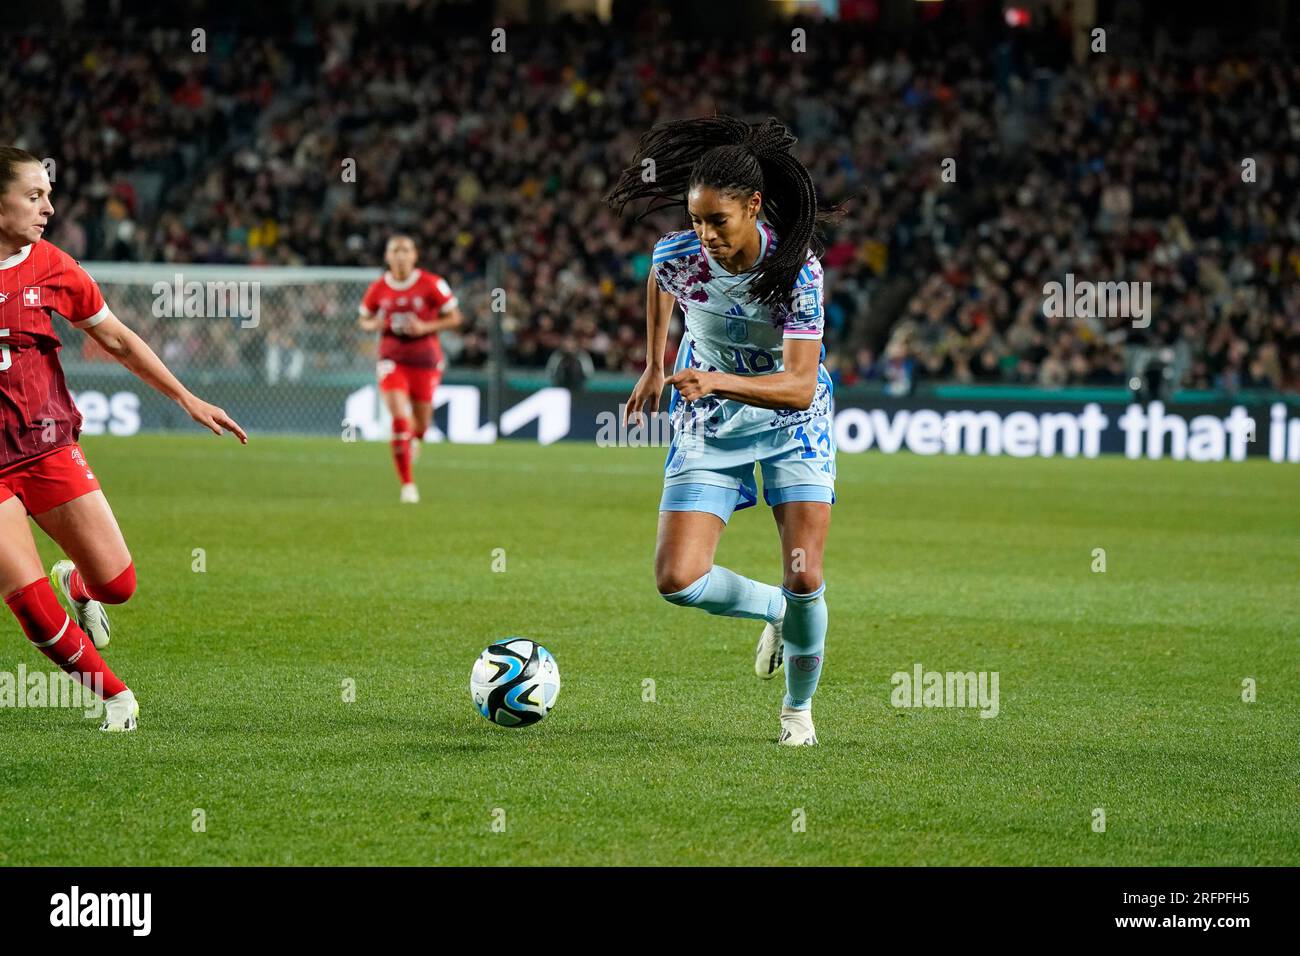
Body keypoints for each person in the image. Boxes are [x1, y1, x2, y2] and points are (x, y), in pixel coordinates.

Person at [606, 116, 838, 746]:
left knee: (805, 576)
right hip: (709, 422)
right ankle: (770, 609)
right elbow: (661, 279)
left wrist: (716, 381)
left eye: (717, 221)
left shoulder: (798, 273)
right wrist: (656, 365)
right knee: (677, 580)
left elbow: (796, 386)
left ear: (754, 206)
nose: (703, 235)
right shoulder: (679, 254)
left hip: (791, 424)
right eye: (696, 219)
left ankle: (797, 712)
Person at [0, 147, 247, 732]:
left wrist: (187, 398)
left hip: (47, 445)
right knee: (27, 598)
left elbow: (117, 339)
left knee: (119, 584)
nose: (49, 207)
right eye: (35, 195)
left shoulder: (52, 266)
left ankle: (80, 584)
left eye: (48, 195)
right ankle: (115, 697)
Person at [358, 235, 463, 503]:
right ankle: (408, 485)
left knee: (422, 425)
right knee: (399, 418)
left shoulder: (431, 283)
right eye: (395, 250)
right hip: (392, 360)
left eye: (405, 250)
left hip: (426, 362)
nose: (400, 256)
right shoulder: (378, 288)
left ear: (415, 255)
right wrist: (377, 325)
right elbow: (364, 320)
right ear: (387, 256)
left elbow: (455, 317)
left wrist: (424, 328)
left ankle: (413, 440)